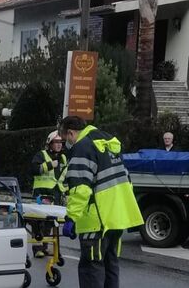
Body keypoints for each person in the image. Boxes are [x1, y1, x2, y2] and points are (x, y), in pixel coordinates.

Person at [59, 116, 142, 288]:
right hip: (115, 218)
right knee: (110, 264)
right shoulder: (108, 143)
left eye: (65, 138)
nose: (66, 143)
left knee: (91, 268)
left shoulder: (82, 147)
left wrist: (71, 218)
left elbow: (80, 189)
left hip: (95, 221)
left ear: (71, 133)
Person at [30, 130, 67, 257]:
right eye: (56, 142)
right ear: (49, 144)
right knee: (38, 221)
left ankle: (45, 247)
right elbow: (34, 169)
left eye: (61, 142)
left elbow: (64, 177)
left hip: (56, 193)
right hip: (42, 193)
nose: (59, 144)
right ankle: (37, 249)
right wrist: (50, 165)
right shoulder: (41, 155)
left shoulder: (63, 158)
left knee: (50, 223)